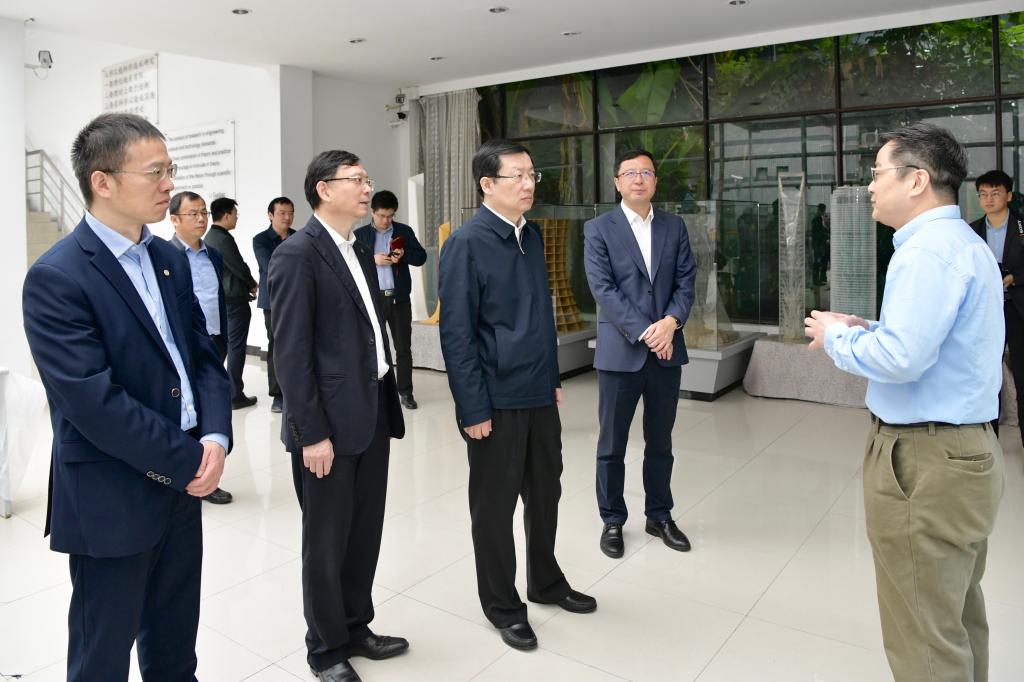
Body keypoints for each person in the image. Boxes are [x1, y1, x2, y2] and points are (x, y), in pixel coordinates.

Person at [22, 112, 232, 681]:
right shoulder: (58, 277)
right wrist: (191, 459)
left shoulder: (168, 259)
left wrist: (214, 436)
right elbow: (93, 402)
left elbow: (201, 357)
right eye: (155, 172)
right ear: (103, 181)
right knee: (103, 657)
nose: (170, 184)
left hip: (183, 485)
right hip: (112, 494)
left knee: (174, 648)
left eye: (170, 169)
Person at [804, 122, 1005, 682]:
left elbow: (903, 359)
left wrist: (836, 338)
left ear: (916, 180)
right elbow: (936, 343)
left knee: (924, 640)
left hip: (925, 462)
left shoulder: (926, 253)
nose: (870, 185)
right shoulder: (963, 244)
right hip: (965, 452)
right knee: (955, 617)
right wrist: (867, 328)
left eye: (877, 173)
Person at [439, 139, 597, 652]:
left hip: (537, 393)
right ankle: (502, 605)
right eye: (518, 176)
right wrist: (473, 408)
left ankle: (546, 582)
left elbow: (538, 318)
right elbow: (457, 335)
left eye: (532, 174)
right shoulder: (467, 243)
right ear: (487, 184)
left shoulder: (528, 234)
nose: (529, 184)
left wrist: (553, 378)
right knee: (494, 507)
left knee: (545, 493)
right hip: (495, 401)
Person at [269, 151, 407, 682]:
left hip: (370, 414)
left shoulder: (357, 247)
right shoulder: (297, 254)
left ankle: (354, 626)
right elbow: (290, 354)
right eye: (357, 180)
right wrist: (311, 434)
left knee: (363, 532)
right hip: (326, 427)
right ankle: (325, 649)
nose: (367, 187)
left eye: (367, 179)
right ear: (324, 189)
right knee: (326, 543)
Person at [583, 148, 697, 559]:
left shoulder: (674, 226)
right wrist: (649, 331)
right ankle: (612, 519)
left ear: (655, 181)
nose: (638, 179)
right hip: (621, 353)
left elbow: (686, 280)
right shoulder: (599, 228)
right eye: (630, 173)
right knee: (612, 443)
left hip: (667, 351)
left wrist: (672, 322)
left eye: (646, 172)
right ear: (617, 182)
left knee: (661, 441)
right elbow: (603, 289)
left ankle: (659, 515)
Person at [169, 190, 234, 505]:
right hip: (184, 343)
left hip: (215, 339)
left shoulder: (213, 255)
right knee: (189, 411)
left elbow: (216, 296)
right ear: (174, 219)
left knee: (211, 406)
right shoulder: (166, 257)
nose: (201, 219)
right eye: (193, 214)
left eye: (204, 213)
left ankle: (209, 474)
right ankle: (190, 476)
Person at [354, 190, 427, 409]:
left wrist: (404, 255)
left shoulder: (404, 231)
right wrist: (372, 259)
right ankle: (376, 393)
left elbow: (421, 257)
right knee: (373, 347)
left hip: (399, 299)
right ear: (372, 212)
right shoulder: (360, 235)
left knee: (403, 348)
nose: (386, 221)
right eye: (381, 216)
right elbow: (351, 264)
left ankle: (405, 392)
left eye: (390, 216)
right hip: (373, 300)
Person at [970, 170, 1024, 442]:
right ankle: (989, 440)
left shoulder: (1022, 227)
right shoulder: (972, 231)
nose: (988, 199)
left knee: (1022, 375)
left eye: (995, 193)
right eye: (983, 194)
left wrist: (1014, 277)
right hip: (986, 312)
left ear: (1009, 196)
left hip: (1017, 309)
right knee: (987, 376)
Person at [205, 196, 259, 409]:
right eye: (235, 214)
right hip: (234, 301)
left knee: (221, 346)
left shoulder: (209, 236)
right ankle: (234, 394)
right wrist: (252, 284)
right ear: (226, 215)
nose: (237, 218)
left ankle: (212, 389)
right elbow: (238, 265)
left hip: (222, 300)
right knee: (236, 347)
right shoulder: (223, 239)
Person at [254, 197, 296, 413]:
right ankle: (278, 395)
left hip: (298, 300)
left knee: (298, 344)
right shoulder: (261, 240)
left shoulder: (300, 237)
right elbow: (271, 267)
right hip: (273, 302)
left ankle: (297, 391)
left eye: (290, 213)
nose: (287, 217)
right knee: (276, 347)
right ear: (270, 215)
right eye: (282, 213)